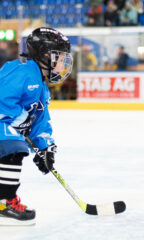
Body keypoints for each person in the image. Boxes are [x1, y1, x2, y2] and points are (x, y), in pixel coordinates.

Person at [0, 27, 73, 225]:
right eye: (61, 57)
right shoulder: (21, 72)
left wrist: (45, 147)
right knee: (13, 145)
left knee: (12, 142)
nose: (64, 63)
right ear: (46, 56)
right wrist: (18, 124)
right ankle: (3, 205)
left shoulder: (42, 88)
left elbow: (40, 121)